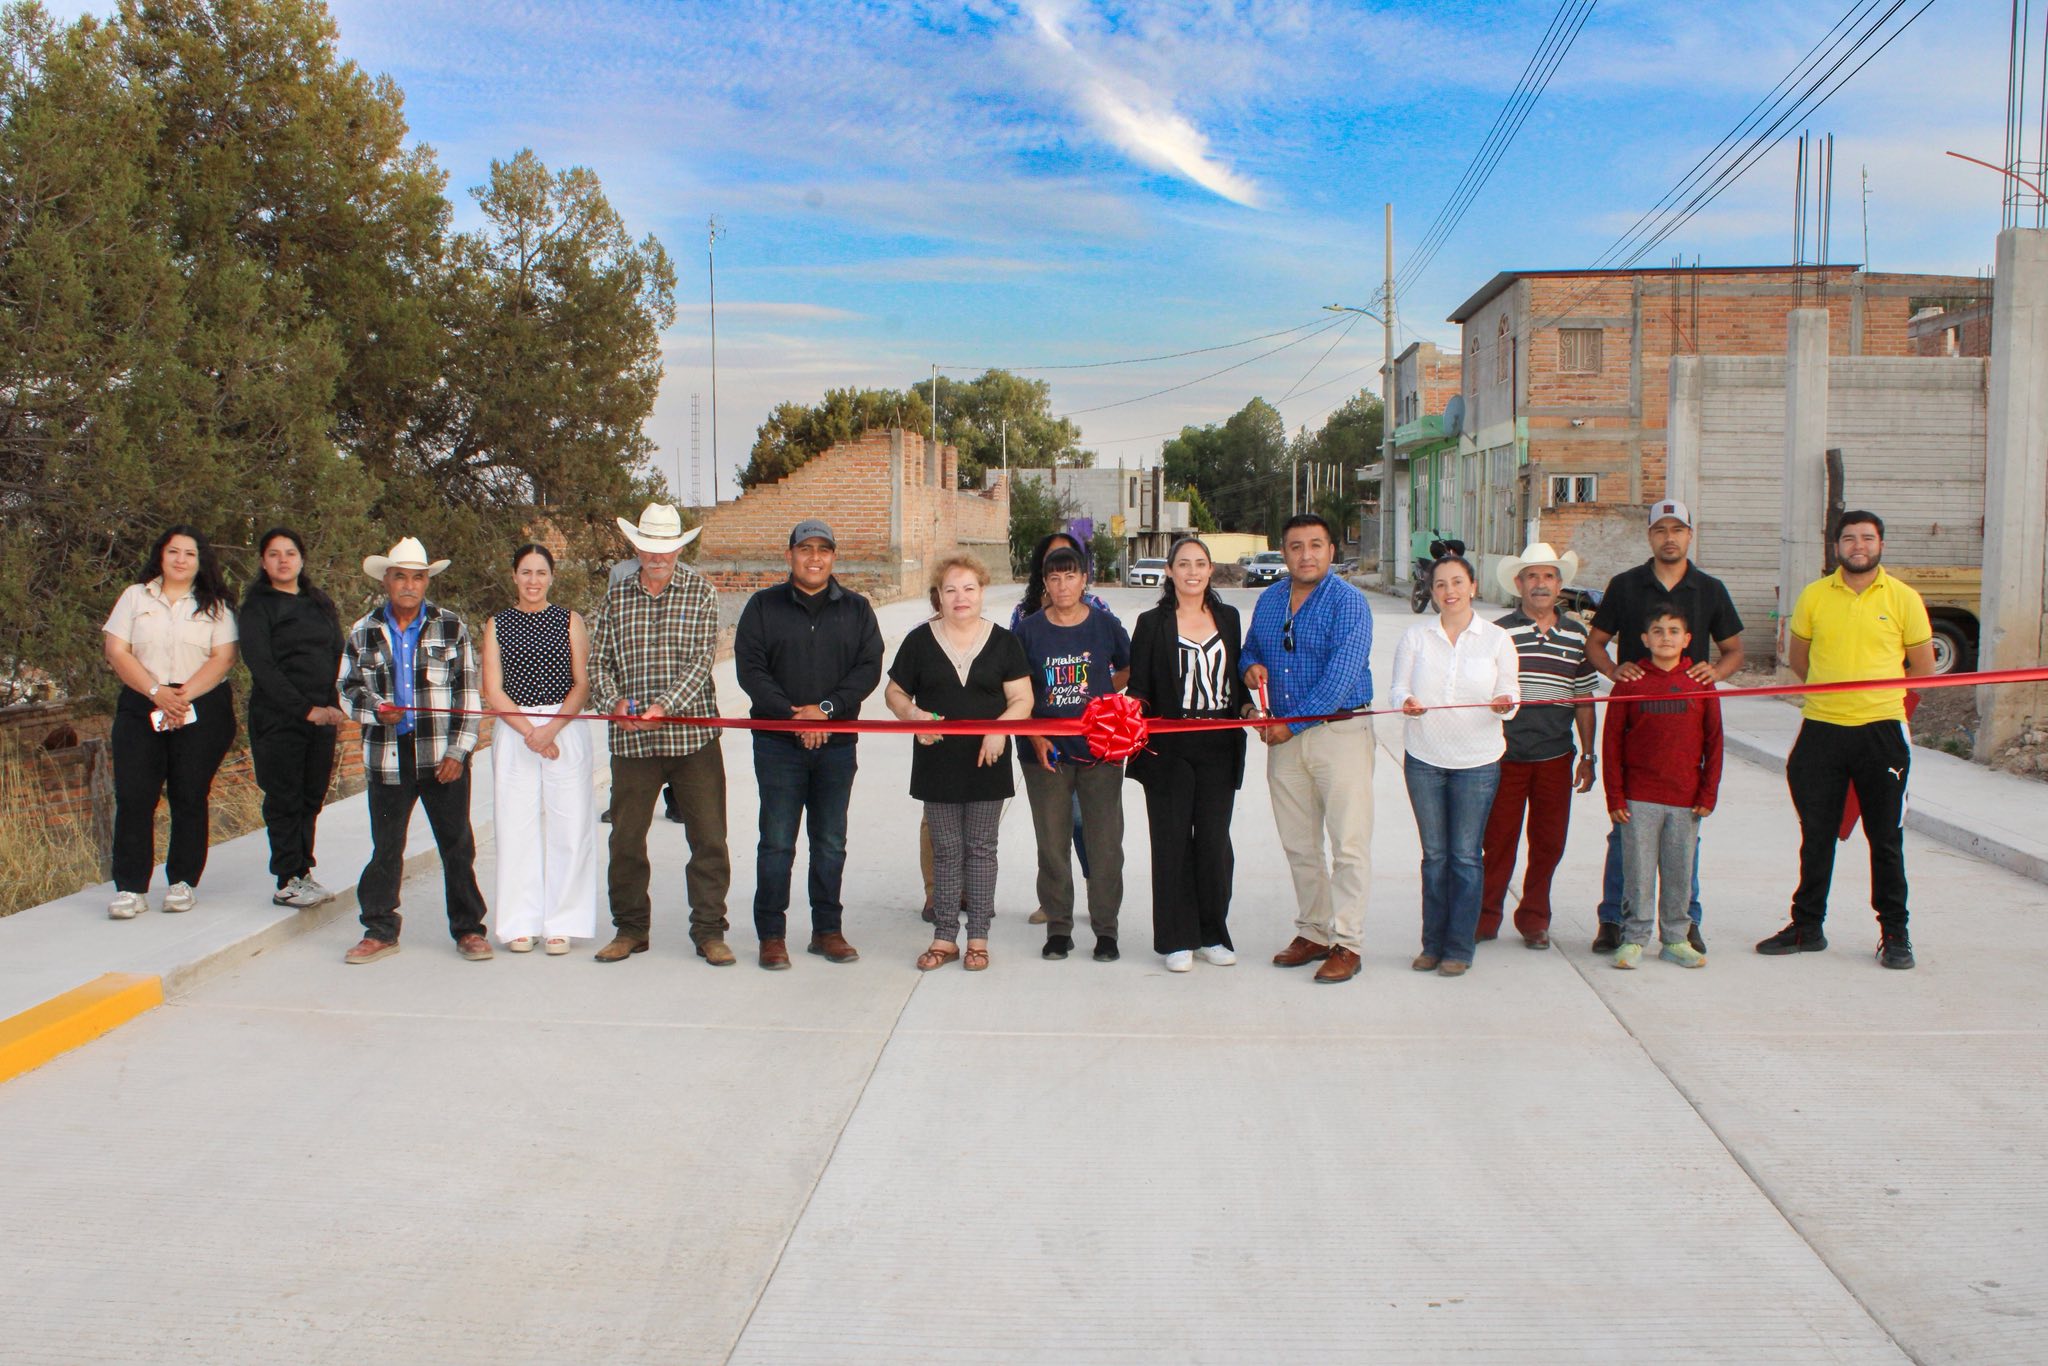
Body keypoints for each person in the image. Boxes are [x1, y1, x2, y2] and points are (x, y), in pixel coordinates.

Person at [1758, 511, 1934, 968]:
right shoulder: (1815, 595)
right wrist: (1834, 695)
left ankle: (1895, 933)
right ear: (1836, 546)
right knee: (1816, 835)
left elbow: (1923, 668)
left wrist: (1876, 699)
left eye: (1867, 538)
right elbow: (1801, 661)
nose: (1859, 546)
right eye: (1850, 538)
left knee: (1886, 838)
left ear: (1881, 544)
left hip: (1882, 733)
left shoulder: (1904, 598)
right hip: (1822, 729)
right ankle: (1807, 926)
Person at [1585, 500, 1744, 955]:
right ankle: (1614, 919)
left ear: (1690, 535)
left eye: (1677, 530)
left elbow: (1734, 650)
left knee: (1684, 842)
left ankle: (1684, 923)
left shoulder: (1710, 589)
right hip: (1638, 727)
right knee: (1624, 836)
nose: (1669, 538)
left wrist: (1714, 674)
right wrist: (1615, 672)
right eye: (1660, 530)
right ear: (1649, 535)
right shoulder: (1625, 585)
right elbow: (1596, 643)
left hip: (1684, 729)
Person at [733, 519, 884, 970]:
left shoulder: (857, 610)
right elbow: (751, 669)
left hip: (836, 745)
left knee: (831, 841)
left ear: (833, 557)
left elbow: (868, 668)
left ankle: (827, 931)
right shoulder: (762, 607)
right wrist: (792, 716)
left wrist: (827, 710)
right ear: (790, 556)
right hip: (778, 745)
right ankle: (772, 936)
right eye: (805, 549)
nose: (814, 558)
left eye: (823, 550)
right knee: (777, 842)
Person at [588, 503, 733, 965]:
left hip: (692, 741)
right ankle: (630, 929)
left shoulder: (702, 593)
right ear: (636, 548)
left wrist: (663, 707)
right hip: (632, 741)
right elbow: (598, 663)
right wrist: (613, 703)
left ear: (679, 549)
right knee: (626, 840)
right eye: (649, 547)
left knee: (709, 839)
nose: (657, 556)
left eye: (666, 547)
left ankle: (709, 931)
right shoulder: (615, 598)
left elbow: (700, 662)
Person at [337, 537, 492, 964]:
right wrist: (375, 710)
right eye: (400, 576)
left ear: (427, 582)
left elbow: (468, 695)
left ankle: (468, 929)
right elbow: (346, 689)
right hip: (387, 753)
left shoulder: (451, 627)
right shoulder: (363, 630)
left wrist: (459, 752)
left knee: (457, 844)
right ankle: (379, 929)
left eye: (417, 577)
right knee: (386, 846)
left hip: (441, 754)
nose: (409, 585)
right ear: (386, 580)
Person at [1241, 514, 1378, 984]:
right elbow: (1250, 649)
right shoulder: (1270, 599)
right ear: (1284, 552)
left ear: (1331, 551)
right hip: (1284, 739)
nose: (1306, 555)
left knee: (1348, 844)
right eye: (1296, 546)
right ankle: (1314, 931)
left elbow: (1340, 678)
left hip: (1339, 733)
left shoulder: (1349, 603)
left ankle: (1348, 942)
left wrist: (1292, 724)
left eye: (1316, 545)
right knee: (1300, 843)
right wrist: (1249, 668)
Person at [885, 554, 1033, 971]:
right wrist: (912, 715)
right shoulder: (919, 641)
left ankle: (979, 938)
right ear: (939, 595)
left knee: (981, 849)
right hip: (937, 760)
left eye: (969, 588)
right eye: (950, 589)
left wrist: (1000, 729)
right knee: (946, 850)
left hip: (988, 760)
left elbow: (1022, 699)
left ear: (982, 591)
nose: (960, 597)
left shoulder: (1004, 642)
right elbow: (894, 693)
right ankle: (945, 937)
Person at [1389, 556, 1520, 977]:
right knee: (1434, 857)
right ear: (1431, 591)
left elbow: (1510, 693)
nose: (1450, 591)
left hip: (1478, 761)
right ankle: (1432, 944)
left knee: (1465, 857)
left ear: (1473, 586)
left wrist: (1504, 705)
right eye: (1441, 584)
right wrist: (1406, 703)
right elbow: (1397, 688)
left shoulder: (1497, 639)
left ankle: (1460, 947)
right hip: (1424, 758)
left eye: (1458, 582)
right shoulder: (1416, 637)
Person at [1126, 535, 1252, 972]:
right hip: (1168, 747)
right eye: (1183, 564)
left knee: (1214, 845)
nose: (1192, 572)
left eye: (1200, 564)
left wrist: (1249, 709)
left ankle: (1212, 934)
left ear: (1211, 570)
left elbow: (1236, 683)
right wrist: (1124, 716)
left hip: (1219, 743)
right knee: (1172, 842)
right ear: (1169, 571)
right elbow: (1139, 688)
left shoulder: (1229, 618)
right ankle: (1176, 940)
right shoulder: (1150, 624)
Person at [100, 526, 239, 919]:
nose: (181, 560)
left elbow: (224, 657)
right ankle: (130, 888)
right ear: (160, 555)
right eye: (174, 551)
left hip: (200, 704)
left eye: (189, 554)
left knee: (189, 793)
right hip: (143, 701)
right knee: (135, 795)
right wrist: (156, 692)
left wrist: (180, 697)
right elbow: (117, 650)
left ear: (200, 560)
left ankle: (182, 881)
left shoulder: (216, 605)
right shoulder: (135, 597)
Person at [1013, 544, 1132, 962]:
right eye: (1054, 578)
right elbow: (1017, 690)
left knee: (1105, 846)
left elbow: (1128, 666)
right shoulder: (1028, 631)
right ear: (1045, 584)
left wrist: (1104, 699)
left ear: (1084, 580)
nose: (1063, 585)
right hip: (1046, 754)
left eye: (1070, 576)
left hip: (1101, 751)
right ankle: (1059, 929)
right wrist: (1035, 736)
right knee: (1052, 844)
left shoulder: (1105, 625)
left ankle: (1106, 930)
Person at [1479, 542, 1598, 949]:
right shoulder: (1499, 633)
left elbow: (1583, 698)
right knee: (1498, 841)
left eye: (1549, 576)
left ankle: (1534, 918)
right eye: (1532, 576)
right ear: (1519, 584)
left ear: (1560, 585)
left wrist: (1588, 755)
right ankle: (1485, 917)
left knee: (1548, 843)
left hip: (1556, 756)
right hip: (1505, 756)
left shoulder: (1577, 635)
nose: (1540, 584)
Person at [481, 543, 597, 955]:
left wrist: (552, 729)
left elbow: (581, 683)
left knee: (571, 824)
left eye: (541, 572)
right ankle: (519, 922)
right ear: (514, 576)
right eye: (526, 572)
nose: (533, 580)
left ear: (552, 577)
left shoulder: (570, 620)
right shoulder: (497, 624)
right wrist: (531, 731)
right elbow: (493, 688)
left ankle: (564, 921)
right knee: (516, 826)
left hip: (564, 727)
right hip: (516, 729)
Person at [1603, 606, 1722, 969]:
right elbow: (1611, 743)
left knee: (1679, 872)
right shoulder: (1631, 683)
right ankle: (1634, 938)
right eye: (1657, 631)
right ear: (1645, 639)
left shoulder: (1700, 683)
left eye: (1673, 631)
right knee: (1637, 874)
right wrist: (1615, 795)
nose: (1665, 637)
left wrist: (1708, 793)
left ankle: (1675, 938)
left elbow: (1714, 742)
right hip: (1638, 798)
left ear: (1687, 639)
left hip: (1685, 799)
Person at [1003, 528, 1110, 925]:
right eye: (1053, 565)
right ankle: (1054, 901)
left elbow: (1118, 664)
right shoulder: (1025, 617)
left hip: (1089, 740)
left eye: (1070, 565)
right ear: (1043, 572)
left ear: (1082, 574)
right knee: (1052, 825)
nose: (1062, 577)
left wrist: (1099, 699)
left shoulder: (1098, 610)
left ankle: (1097, 892)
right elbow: (1014, 677)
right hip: (1041, 738)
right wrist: (1032, 726)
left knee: (1084, 820)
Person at [239, 527, 347, 910]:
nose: (283, 560)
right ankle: (287, 879)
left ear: (301, 559)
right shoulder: (257, 607)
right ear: (263, 561)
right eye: (274, 554)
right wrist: (305, 709)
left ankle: (303, 872)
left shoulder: (319, 602)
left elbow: (337, 653)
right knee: (284, 797)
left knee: (311, 796)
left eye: (290, 553)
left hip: (321, 718)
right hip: (279, 717)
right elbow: (262, 666)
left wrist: (333, 705)